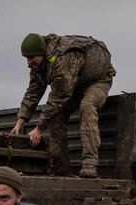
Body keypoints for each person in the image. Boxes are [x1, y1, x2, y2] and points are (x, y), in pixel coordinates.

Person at [10, 33, 116, 178]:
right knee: (56, 116)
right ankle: (61, 167)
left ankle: (89, 163)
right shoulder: (38, 65)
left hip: (98, 80)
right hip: (76, 82)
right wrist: (20, 122)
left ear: (42, 53)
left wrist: (39, 128)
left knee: (87, 105)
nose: (28, 62)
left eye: (31, 57)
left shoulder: (62, 59)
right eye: (26, 58)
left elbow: (58, 96)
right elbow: (33, 91)